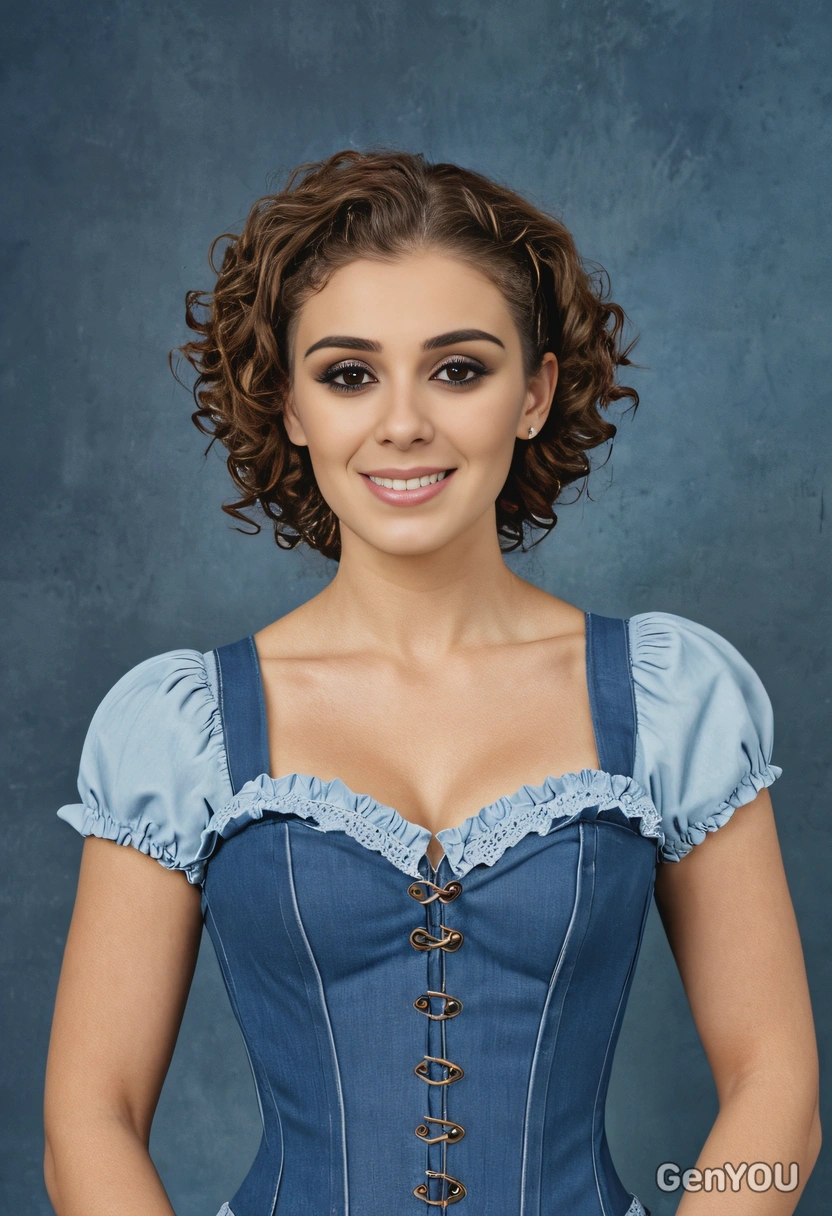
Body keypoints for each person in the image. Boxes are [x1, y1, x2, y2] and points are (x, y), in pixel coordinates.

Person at [43, 149, 820, 1216]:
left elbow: (775, 1085)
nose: (402, 421)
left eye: (457, 369)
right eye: (348, 373)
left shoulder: (666, 699)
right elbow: (91, 1115)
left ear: (535, 392)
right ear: (291, 405)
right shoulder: (181, 728)